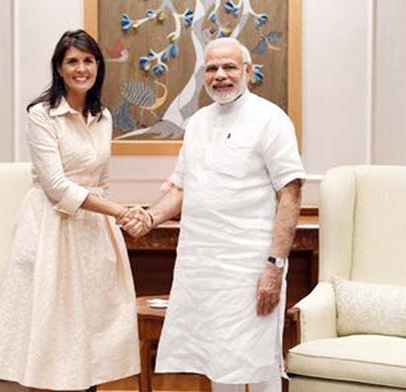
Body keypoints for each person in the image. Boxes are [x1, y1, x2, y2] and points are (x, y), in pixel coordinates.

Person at [123, 37, 305, 392]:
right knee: (215, 362)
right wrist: (148, 218)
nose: (220, 75)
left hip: (250, 267)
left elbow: (291, 193)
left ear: (248, 71)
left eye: (229, 67)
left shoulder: (272, 119)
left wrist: (274, 266)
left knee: (256, 364)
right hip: (201, 265)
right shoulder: (198, 123)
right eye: (212, 68)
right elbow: (181, 187)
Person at [0, 30, 147, 391]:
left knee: (93, 329)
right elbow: (57, 187)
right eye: (72, 61)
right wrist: (119, 212)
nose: (81, 68)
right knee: (52, 329)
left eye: (88, 60)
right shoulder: (41, 115)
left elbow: (101, 180)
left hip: (93, 230)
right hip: (49, 227)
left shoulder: (103, 116)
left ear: (98, 67)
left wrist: (114, 219)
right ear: (59, 68)